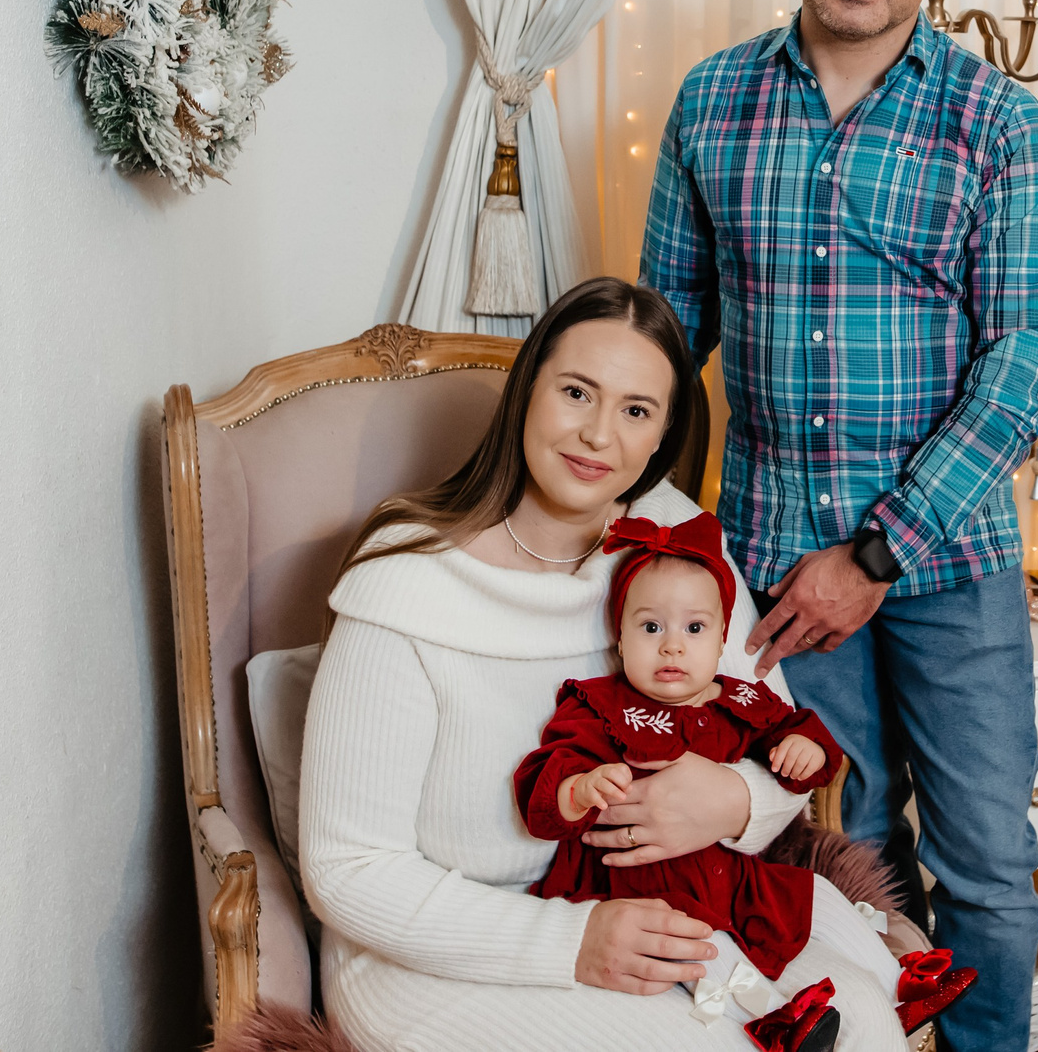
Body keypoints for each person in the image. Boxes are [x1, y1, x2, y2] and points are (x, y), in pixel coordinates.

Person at [640, 0, 1038, 1052]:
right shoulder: (712, 101)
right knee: (834, 850)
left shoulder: (997, 122)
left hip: (948, 565)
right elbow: (668, 350)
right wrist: (642, 536)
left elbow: (1022, 363)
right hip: (771, 561)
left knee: (988, 862)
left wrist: (872, 558)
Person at [297, 277, 908, 1051]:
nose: (597, 435)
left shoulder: (674, 541)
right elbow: (350, 871)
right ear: (527, 391)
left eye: (636, 410)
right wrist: (569, 939)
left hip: (671, 905)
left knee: (866, 1027)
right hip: (441, 948)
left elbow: (773, 743)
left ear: (662, 436)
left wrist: (729, 796)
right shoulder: (408, 580)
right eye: (577, 391)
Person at [515, 514, 976, 1049]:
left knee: (819, 894)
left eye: (694, 629)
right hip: (646, 892)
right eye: (650, 627)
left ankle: (901, 983)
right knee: (696, 946)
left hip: (734, 879)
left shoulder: (739, 699)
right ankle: (773, 1019)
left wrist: (807, 748)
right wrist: (579, 789)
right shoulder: (601, 706)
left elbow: (799, 731)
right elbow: (543, 783)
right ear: (619, 639)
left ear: (719, 641)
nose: (672, 647)